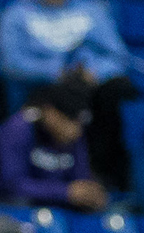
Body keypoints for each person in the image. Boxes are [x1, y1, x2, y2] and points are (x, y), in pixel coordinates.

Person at [0, 0, 136, 190]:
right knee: (65, 95)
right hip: (42, 88)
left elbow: (118, 57)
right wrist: (54, 72)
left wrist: (94, 72)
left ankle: (103, 179)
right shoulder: (15, 15)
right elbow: (10, 64)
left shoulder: (93, 12)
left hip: (87, 86)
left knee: (116, 90)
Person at [0, 77, 109, 211]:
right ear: (50, 112)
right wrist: (65, 192)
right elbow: (11, 185)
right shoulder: (18, 129)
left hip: (59, 209)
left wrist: (89, 194)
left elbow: (80, 179)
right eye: (69, 120)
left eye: (79, 123)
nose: (75, 130)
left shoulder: (75, 136)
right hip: (21, 208)